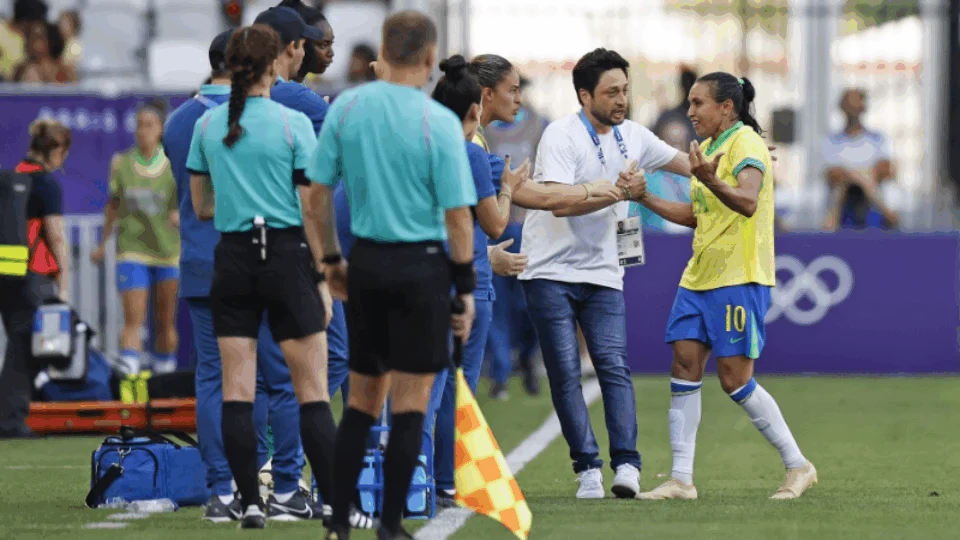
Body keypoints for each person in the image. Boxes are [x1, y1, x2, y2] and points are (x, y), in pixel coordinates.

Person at [306, 12, 479, 540]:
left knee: (361, 402)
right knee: (409, 407)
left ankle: (339, 522)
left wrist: (330, 262)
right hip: (422, 269)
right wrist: (465, 289)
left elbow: (316, 196)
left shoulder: (347, 107)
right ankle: (389, 525)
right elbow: (458, 218)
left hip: (368, 263)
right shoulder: (440, 122)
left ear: (383, 50)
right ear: (429, 58)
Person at [516, 47, 689, 500]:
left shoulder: (635, 135)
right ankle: (587, 470)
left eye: (625, 90)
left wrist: (742, 161)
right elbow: (559, 202)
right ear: (584, 95)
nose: (621, 99)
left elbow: (688, 164)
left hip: (604, 270)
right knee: (565, 373)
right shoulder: (560, 135)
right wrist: (616, 192)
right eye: (611, 92)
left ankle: (627, 466)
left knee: (614, 366)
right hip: (549, 269)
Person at [184, 24, 340, 529]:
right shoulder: (294, 123)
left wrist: (240, 199)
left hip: (232, 257)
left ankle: (248, 501)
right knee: (310, 387)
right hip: (286, 255)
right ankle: (329, 502)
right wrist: (324, 275)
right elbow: (312, 209)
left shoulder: (207, 126)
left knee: (236, 387)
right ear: (275, 65)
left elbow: (201, 206)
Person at [636, 72, 817, 500]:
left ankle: (798, 465)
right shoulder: (709, 149)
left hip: (739, 276)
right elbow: (697, 215)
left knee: (735, 379)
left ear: (726, 107)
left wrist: (711, 179)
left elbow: (748, 202)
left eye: (698, 103)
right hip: (699, 276)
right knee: (684, 366)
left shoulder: (746, 144)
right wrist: (643, 197)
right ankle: (681, 479)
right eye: (690, 103)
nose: (690, 111)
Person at [426, 54, 531, 510]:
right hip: (464, 279)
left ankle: (420, 477)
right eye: (513, 89)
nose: (519, 99)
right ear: (479, 102)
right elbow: (493, 222)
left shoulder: (423, 143)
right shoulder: (470, 150)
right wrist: (508, 186)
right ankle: (444, 480)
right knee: (454, 387)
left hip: (419, 273)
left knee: (422, 383)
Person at [91, 101, 181, 375]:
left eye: (149, 125)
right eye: (139, 125)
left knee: (165, 321)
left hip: (167, 251)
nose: (143, 131)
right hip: (132, 249)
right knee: (133, 319)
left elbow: (188, 201)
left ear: (161, 129)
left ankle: (165, 370)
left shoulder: (172, 164)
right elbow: (113, 206)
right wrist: (102, 243)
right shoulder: (122, 163)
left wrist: (180, 215)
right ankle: (130, 370)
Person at [0, 119, 70, 439]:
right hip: (33, 275)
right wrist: (64, 284)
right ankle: (10, 420)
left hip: (6, 271)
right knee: (23, 347)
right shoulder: (46, 184)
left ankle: (11, 414)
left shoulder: (12, 177)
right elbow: (55, 236)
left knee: (16, 342)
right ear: (57, 150)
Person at [821, 88, 900, 231]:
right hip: (844, 211)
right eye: (849, 105)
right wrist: (861, 175)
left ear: (864, 107)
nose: (853, 109)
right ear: (842, 108)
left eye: (856, 104)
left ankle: (886, 213)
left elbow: (886, 170)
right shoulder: (831, 141)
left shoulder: (879, 139)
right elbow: (833, 175)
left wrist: (855, 175)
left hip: (872, 210)